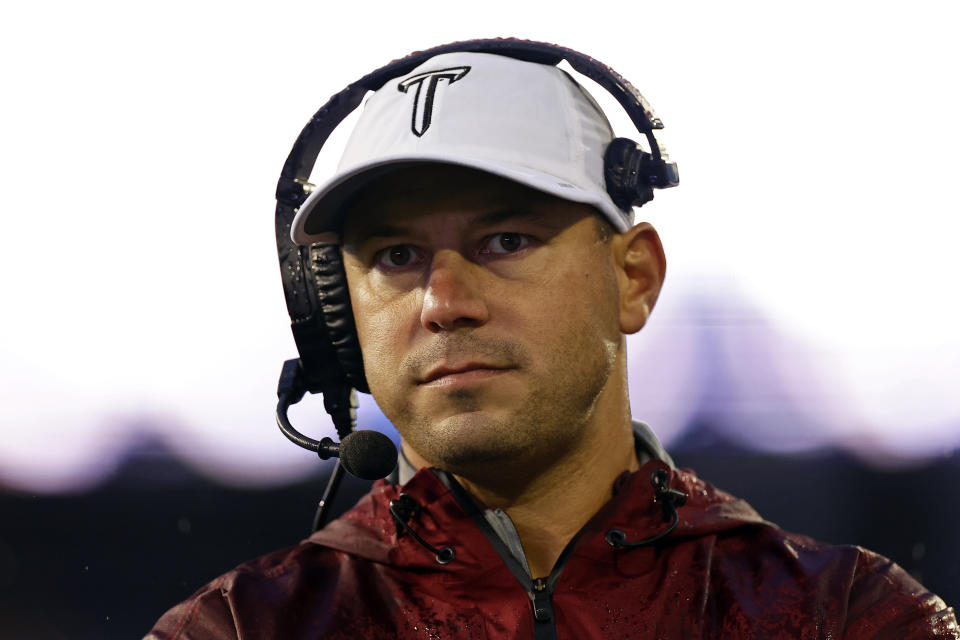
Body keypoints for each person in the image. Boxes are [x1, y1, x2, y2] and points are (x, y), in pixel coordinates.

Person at [145, 44, 958, 639]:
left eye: (505, 241)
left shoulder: (851, 618)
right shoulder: (235, 631)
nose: (444, 302)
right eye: (397, 256)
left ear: (634, 278)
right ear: (339, 317)